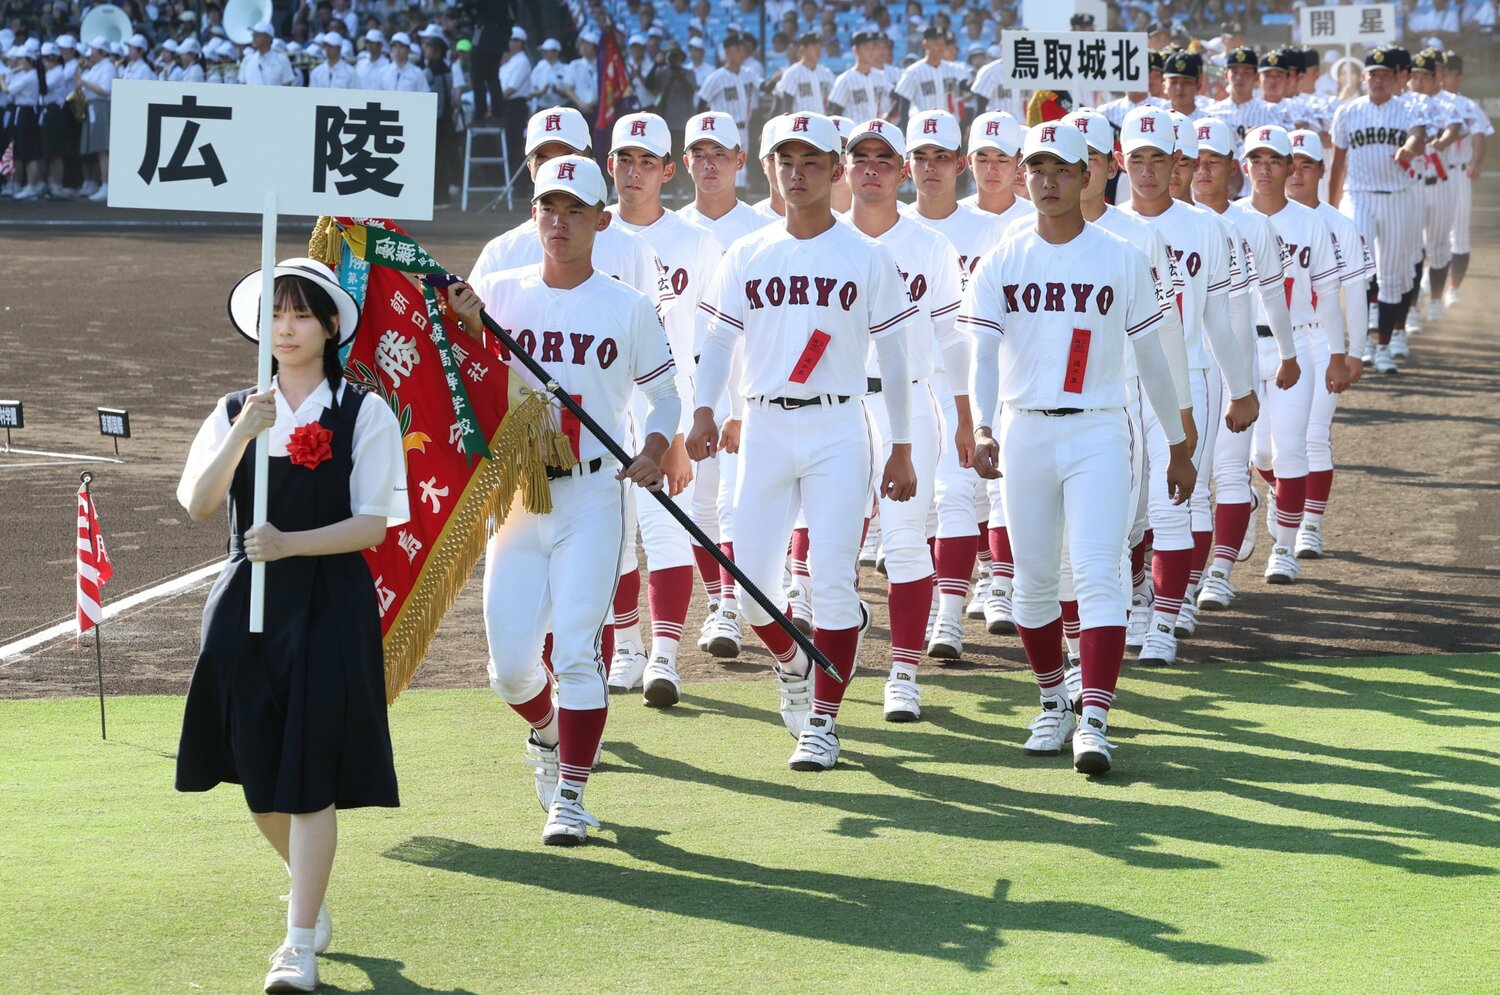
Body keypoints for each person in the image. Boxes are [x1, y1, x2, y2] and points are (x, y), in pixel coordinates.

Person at [175, 258, 407, 994]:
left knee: (311, 779)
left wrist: (291, 543)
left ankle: (297, 942)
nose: (287, 326)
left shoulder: (363, 411)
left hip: (330, 603)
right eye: (277, 312)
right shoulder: (236, 406)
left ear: (331, 325)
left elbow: (372, 523)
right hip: (244, 603)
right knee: (256, 773)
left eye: (302, 313)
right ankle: (310, 887)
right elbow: (199, 503)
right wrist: (244, 429)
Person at [446, 154, 680, 845]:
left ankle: (572, 794)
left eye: (576, 209)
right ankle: (549, 735)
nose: (560, 221)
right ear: (533, 213)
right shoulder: (499, 291)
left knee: (578, 650)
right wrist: (464, 321)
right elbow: (462, 365)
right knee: (509, 667)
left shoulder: (627, 305)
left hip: (594, 496)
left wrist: (657, 446)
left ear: (602, 220)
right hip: (522, 493)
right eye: (549, 206)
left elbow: (665, 393)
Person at [687, 112, 919, 772]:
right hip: (762, 424)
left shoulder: (866, 255)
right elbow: (718, 341)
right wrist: (705, 410)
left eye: (812, 160)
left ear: (836, 170)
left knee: (832, 582)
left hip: (839, 426)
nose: (798, 171)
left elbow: (896, 357)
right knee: (752, 582)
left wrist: (901, 443)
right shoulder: (749, 252)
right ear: (768, 168)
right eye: (785, 159)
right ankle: (794, 660)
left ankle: (821, 721)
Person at [964, 122, 1195, 774]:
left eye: (1061, 168)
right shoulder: (1001, 258)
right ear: (1023, 174)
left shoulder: (1120, 255)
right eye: (1036, 167)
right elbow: (981, 355)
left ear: (1085, 175)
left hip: (1098, 425)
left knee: (1098, 571)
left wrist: (1178, 442)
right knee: (1034, 584)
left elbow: (1152, 355)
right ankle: (1051, 699)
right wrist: (982, 426)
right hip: (1025, 428)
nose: (1047, 179)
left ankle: (1094, 717)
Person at [1118, 106, 1257, 664]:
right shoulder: (1104, 226)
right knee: (1126, 512)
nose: (1147, 171)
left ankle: (1166, 619)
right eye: (1136, 160)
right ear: (1119, 164)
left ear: (1179, 161)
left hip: (1191, 374)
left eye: (1158, 158)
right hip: (1116, 382)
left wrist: (1242, 385)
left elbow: (1219, 319)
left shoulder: (1209, 227)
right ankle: (1135, 599)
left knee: (1176, 502)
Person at [844, 116, 966, 722]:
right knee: (828, 551)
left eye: (883, 159)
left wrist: (966, 414)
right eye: (860, 157)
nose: (871, 168)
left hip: (909, 403)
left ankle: (903, 672)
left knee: (905, 541)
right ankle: (830, 660)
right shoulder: (824, 240)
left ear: (901, 172)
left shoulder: (930, 246)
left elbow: (951, 339)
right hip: (837, 403)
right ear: (845, 168)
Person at [603, 111, 725, 704]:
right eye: (625, 160)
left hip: (665, 401)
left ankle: (665, 657)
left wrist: (683, 426)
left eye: (647, 161)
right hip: (603, 401)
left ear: (668, 171)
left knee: (668, 531)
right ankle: (626, 647)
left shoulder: (696, 243)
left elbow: (707, 340)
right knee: (615, 538)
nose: (635, 172)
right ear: (609, 166)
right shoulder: (587, 232)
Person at [1282, 128, 1370, 562]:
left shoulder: (1340, 225)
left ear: (1321, 170)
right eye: (1289, 162)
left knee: (1313, 435)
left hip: (1321, 337)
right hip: (1274, 339)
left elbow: (1354, 293)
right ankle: (1285, 503)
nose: (1296, 172)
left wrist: (1355, 351)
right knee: (1269, 448)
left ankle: (1309, 525)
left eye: (1306, 164)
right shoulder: (1257, 218)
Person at [1328, 49, 1428, 375]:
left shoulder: (1407, 108)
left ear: (1395, 78)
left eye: (1385, 74)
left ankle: (1382, 345)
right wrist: (1329, 207)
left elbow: (1419, 135)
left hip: (1397, 197)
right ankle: (1362, 344)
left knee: (1393, 276)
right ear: (1363, 78)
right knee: (1359, 265)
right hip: (1359, 195)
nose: (1379, 80)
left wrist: (1409, 148)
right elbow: (1339, 161)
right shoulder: (1347, 112)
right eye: (1374, 74)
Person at [77, 35, 115, 203]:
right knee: (99, 149)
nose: (90, 52)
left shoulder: (107, 68)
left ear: (101, 52)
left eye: (93, 50)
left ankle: (106, 185)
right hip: (93, 106)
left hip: (101, 106)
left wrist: (84, 82)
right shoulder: (97, 67)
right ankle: (100, 183)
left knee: (103, 149)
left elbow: (106, 90)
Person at [240, 21, 294, 86]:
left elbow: (287, 86)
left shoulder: (282, 60)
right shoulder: (247, 60)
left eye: (258, 34)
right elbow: (243, 85)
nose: (254, 37)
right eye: (253, 34)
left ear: (269, 38)